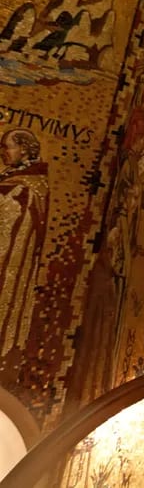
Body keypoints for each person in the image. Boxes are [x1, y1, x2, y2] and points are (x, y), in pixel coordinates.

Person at [0, 128, 48, 356]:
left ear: (24, 149)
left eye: (7, 147)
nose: (3, 153)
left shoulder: (30, 184)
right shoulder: (14, 179)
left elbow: (18, 217)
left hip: (9, 261)